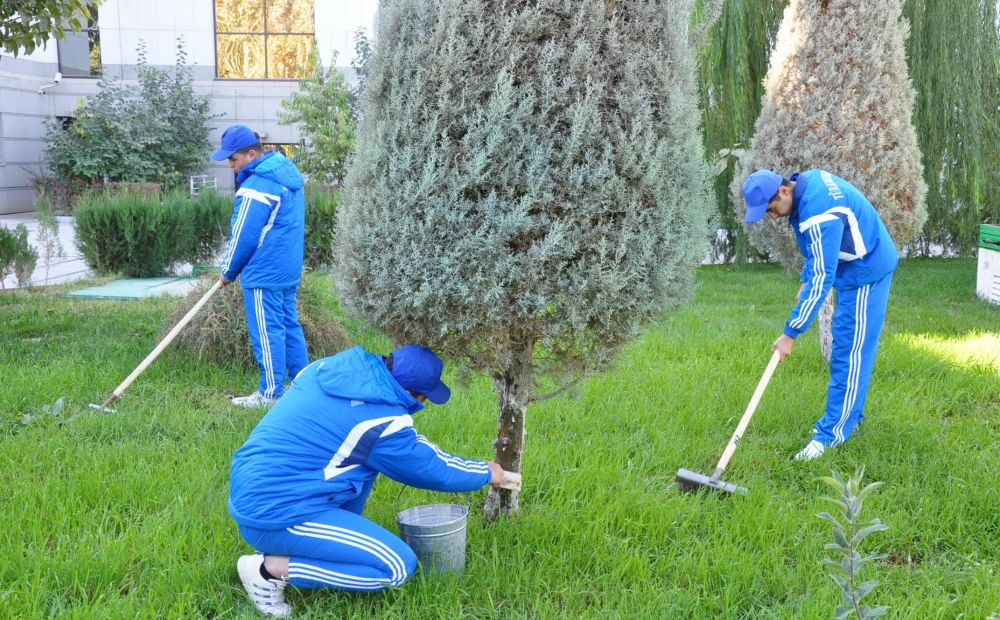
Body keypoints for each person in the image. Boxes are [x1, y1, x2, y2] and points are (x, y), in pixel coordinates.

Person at [228, 344, 508, 617]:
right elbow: (432, 467)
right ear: (411, 393)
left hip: (253, 489)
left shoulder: (322, 369)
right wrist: (486, 472)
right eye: (424, 398)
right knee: (395, 567)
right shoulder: (381, 422)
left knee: (361, 461)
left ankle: (301, 547)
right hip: (278, 514)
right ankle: (267, 570)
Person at [741, 169, 898, 461]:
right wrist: (805, 277)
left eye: (771, 209)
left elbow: (822, 276)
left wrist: (790, 333)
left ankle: (830, 435)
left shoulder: (819, 212)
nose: (771, 217)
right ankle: (850, 418)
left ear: (784, 191)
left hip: (866, 270)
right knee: (847, 348)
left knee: (849, 352)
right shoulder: (807, 185)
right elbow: (818, 250)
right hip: (851, 265)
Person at [211, 124, 309, 408]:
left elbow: (244, 235)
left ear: (251, 155)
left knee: (268, 332)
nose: (230, 165)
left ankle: (270, 394)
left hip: (264, 272)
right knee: (289, 325)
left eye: (233, 159)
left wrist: (228, 271)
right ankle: (302, 388)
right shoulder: (287, 177)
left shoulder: (256, 186)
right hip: (287, 270)